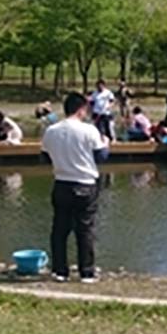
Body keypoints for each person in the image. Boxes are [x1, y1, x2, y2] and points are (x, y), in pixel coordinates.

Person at [40, 92, 110, 283]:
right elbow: (101, 158)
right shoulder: (89, 130)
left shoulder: (51, 130)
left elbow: (44, 157)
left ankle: (60, 271)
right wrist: (106, 145)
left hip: (62, 182)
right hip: (85, 184)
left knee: (60, 228)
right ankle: (86, 272)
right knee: (85, 228)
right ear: (81, 109)